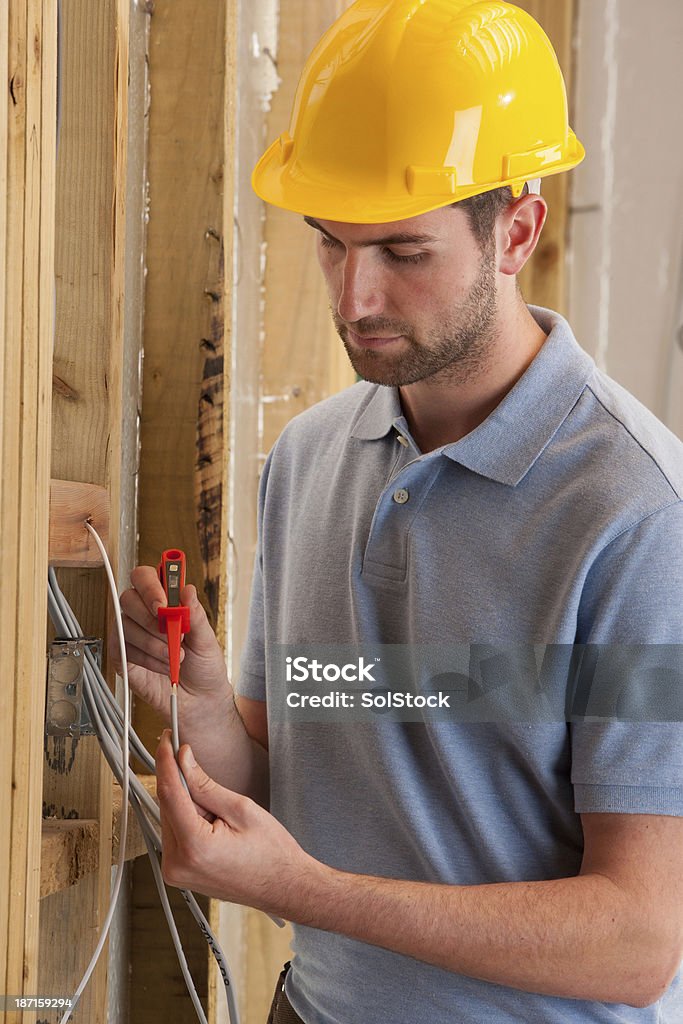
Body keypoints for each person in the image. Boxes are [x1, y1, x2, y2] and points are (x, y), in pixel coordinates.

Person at [115, 2, 683, 1021]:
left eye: (402, 252)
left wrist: (304, 892)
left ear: (515, 228)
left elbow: (636, 939)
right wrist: (210, 716)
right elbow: (314, 764)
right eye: (329, 243)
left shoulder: (635, 515)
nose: (353, 296)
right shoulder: (309, 458)